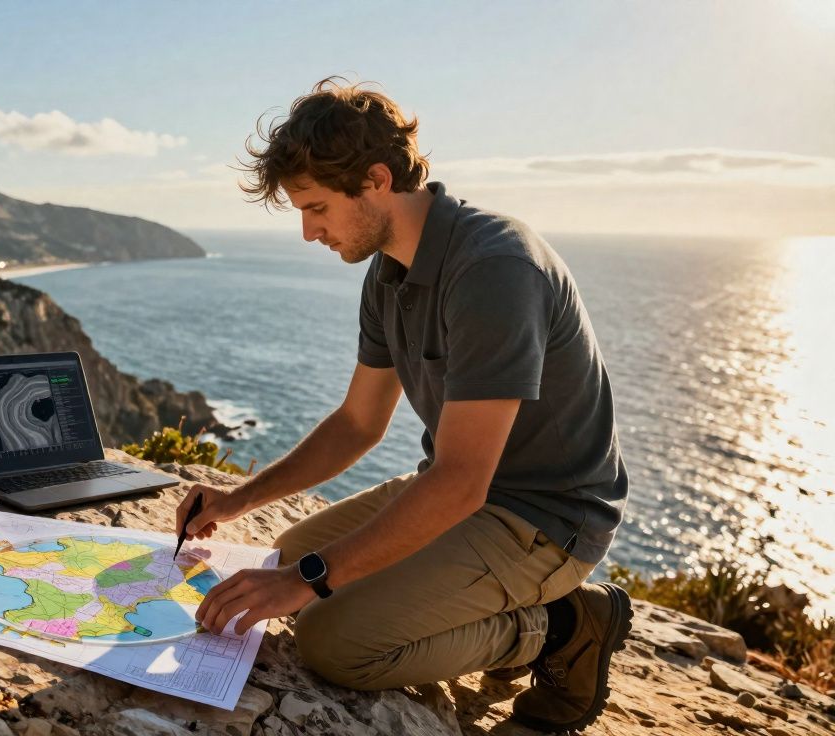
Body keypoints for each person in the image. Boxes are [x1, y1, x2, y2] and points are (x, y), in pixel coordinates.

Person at [174, 78, 631, 733]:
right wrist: (234, 501)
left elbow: (463, 479)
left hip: (546, 519)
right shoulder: (388, 272)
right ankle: (471, 605)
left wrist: (310, 581)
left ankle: (560, 626)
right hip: (464, 495)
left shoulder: (495, 269)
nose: (308, 232)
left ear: (377, 179)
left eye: (317, 207)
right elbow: (358, 424)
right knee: (288, 558)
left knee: (334, 641)